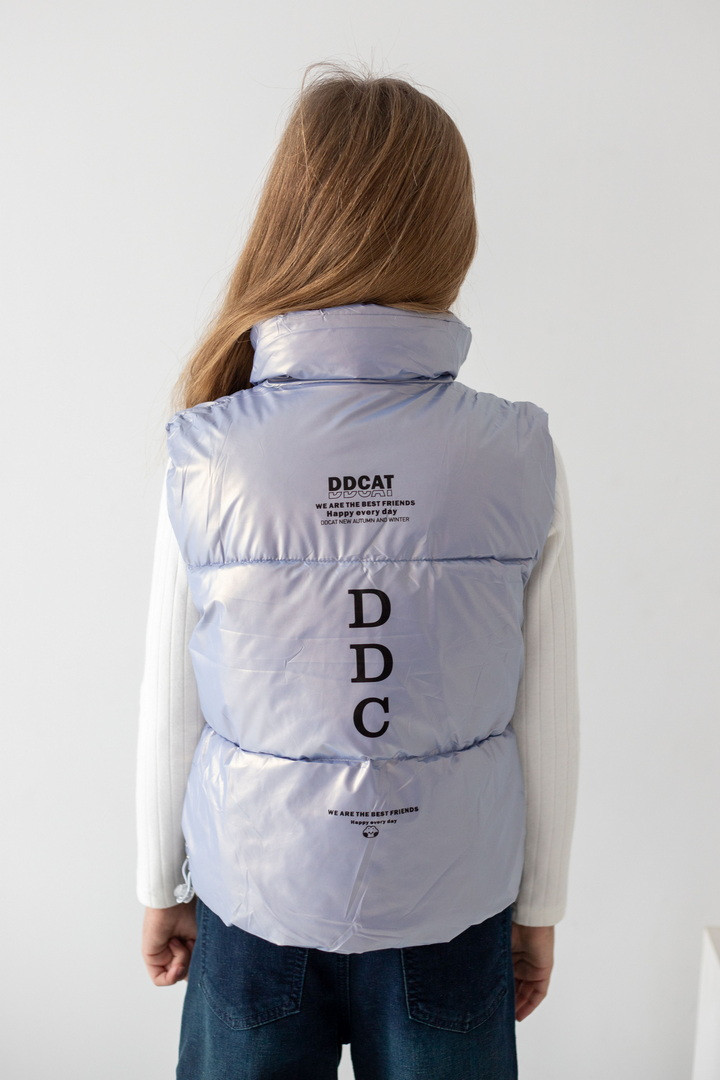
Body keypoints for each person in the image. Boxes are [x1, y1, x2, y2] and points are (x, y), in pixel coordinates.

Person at [136, 61, 580, 1080]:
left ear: (290, 220)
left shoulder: (208, 451)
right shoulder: (521, 452)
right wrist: (541, 902)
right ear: (451, 232)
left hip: (254, 897)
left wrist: (159, 880)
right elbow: (548, 707)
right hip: (454, 905)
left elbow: (171, 696)